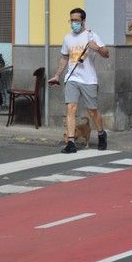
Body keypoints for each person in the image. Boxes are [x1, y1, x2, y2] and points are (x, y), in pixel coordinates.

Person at [48, 8, 109, 153]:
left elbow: (107, 54)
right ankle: (71, 142)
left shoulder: (91, 36)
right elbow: (64, 57)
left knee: (92, 111)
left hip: (89, 79)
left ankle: (101, 133)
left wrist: (97, 48)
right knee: (70, 108)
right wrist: (57, 75)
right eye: (71, 20)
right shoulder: (67, 38)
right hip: (72, 78)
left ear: (83, 21)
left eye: (76, 20)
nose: (73, 23)